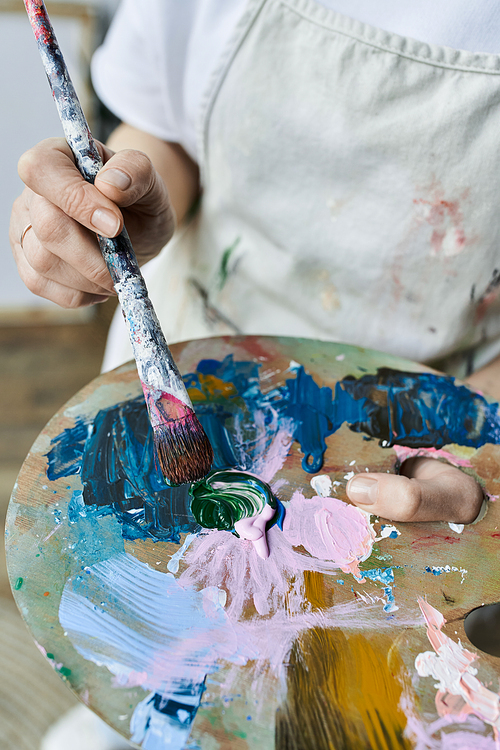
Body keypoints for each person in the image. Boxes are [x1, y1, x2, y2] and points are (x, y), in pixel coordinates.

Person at [10, 0, 500, 528]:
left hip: (435, 419)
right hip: (189, 373)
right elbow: (166, 127)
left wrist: (474, 429)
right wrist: (119, 207)